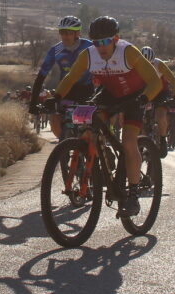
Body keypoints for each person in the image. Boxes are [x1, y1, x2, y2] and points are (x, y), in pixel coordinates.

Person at [51, 16, 163, 216]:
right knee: (87, 126)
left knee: (128, 141)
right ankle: (102, 161)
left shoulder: (128, 52)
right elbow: (70, 78)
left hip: (135, 97)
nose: (101, 46)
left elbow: (155, 82)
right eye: (96, 42)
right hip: (109, 94)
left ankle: (133, 195)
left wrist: (144, 99)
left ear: (116, 39)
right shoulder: (88, 55)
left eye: (105, 41)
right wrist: (56, 97)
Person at [28, 16, 93, 138]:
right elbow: (41, 77)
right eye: (62, 32)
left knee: (85, 131)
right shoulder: (56, 50)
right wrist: (33, 103)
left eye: (69, 33)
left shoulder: (89, 47)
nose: (65, 36)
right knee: (55, 124)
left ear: (77, 33)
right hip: (65, 90)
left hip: (86, 90)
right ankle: (64, 144)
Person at [139, 46, 175, 157]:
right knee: (141, 119)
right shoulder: (136, 65)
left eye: (151, 64)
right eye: (145, 64)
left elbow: (174, 81)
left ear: (154, 61)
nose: (149, 66)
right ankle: (142, 140)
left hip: (161, 92)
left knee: (161, 115)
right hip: (145, 91)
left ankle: (163, 139)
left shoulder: (159, 64)